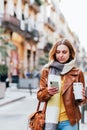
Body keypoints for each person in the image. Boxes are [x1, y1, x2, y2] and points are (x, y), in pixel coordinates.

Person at [37, 38, 87, 130]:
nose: (60, 55)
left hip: (69, 121)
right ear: (54, 53)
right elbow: (40, 96)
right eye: (58, 52)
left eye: (64, 52)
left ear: (70, 53)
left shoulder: (77, 73)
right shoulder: (47, 71)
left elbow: (82, 102)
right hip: (49, 119)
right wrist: (47, 92)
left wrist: (83, 97)